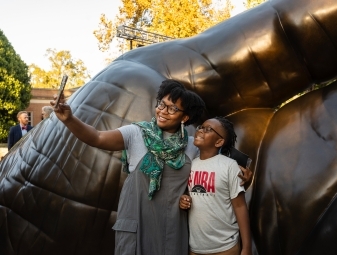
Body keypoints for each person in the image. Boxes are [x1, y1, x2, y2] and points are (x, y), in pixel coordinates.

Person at [51, 79, 252, 255]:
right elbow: (97, 137)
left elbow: (221, 154)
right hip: (137, 225)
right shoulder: (136, 133)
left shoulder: (192, 145)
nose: (163, 111)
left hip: (172, 229)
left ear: (185, 117)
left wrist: (244, 174)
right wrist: (69, 119)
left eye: (172, 108)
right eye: (161, 104)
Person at [180, 117, 252, 255]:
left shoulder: (229, 166)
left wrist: (246, 247)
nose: (200, 130)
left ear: (219, 141)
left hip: (225, 247)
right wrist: (184, 199)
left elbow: (240, 206)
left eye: (208, 129)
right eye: (201, 127)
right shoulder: (190, 164)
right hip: (195, 248)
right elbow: (192, 194)